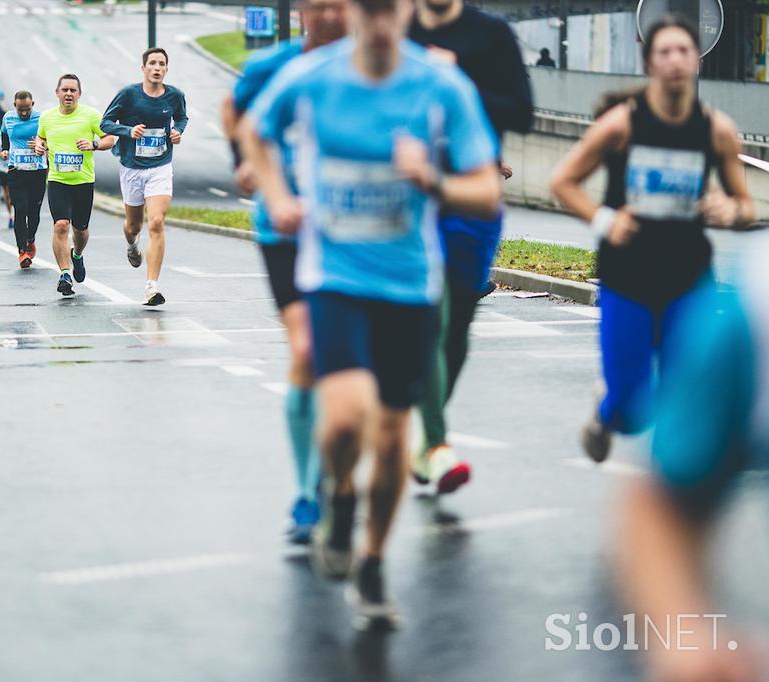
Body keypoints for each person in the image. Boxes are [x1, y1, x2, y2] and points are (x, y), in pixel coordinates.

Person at [243, 0, 500, 628]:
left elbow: (488, 188)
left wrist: (433, 181)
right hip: (334, 279)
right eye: (369, 9)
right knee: (344, 423)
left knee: (390, 442)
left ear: (407, 10)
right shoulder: (314, 77)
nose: (381, 22)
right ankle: (337, 493)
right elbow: (255, 130)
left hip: (410, 287)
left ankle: (375, 562)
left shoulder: (442, 85)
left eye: (390, 10)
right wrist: (277, 196)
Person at [549, 15, 753, 463]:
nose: (676, 60)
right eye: (665, 52)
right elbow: (563, 181)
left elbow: (747, 204)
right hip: (629, 279)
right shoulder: (621, 124)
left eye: (684, 51)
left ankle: (673, 497)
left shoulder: (716, 130)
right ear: (648, 65)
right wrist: (605, 221)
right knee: (631, 413)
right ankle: (607, 410)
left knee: (686, 398)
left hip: (688, 280)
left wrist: (731, 210)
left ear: (697, 61)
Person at [221, 0, 348, 544]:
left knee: (348, 363)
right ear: (300, 11)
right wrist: (244, 163)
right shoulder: (272, 67)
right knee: (305, 350)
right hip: (285, 227)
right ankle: (306, 491)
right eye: (316, 7)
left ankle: (343, 472)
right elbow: (235, 113)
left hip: (350, 232)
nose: (327, 17)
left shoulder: (371, 68)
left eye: (337, 6)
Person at [615, 236, 768, 682]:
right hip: (640, 274)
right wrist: (685, 640)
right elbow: (660, 506)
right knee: (627, 407)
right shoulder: (756, 308)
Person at [406, 0, 533, 494]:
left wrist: (459, 78)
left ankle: (427, 432)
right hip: (413, 196)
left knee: (456, 327)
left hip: (473, 196)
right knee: (427, 315)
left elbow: (520, 113)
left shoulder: (491, 35)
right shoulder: (400, 29)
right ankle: (437, 445)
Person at [101, 47, 188, 306]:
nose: (157, 68)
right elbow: (105, 123)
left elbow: (181, 118)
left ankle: (152, 287)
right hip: (132, 167)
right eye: (152, 63)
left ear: (166, 69)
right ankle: (131, 244)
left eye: (162, 63)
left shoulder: (175, 95)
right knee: (134, 226)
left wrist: (177, 131)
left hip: (160, 166)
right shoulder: (129, 94)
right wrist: (128, 131)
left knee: (157, 222)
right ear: (143, 68)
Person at [36, 73, 114, 296]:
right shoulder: (47, 117)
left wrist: (94, 143)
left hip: (83, 182)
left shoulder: (90, 115)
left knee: (80, 230)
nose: (68, 93)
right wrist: (40, 146)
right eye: (65, 89)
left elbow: (110, 138)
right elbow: (40, 137)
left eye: (73, 90)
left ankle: (77, 255)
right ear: (57, 92)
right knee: (61, 225)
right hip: (58, 180)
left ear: (79, 94)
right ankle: (64, 274)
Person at [0, 91, 48, 268]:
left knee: (33, 212)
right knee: (20, 209)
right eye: (21, 110)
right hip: (16, 170)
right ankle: (22, 251)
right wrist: (5, 149)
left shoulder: (42, 119)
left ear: (33, 104)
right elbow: (4, 134)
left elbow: (51, 139)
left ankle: (30, 238)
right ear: (14, 106)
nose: (24, 113)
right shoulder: (8, 118)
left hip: (37, 171)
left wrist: (41, 144)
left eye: (27, 109)